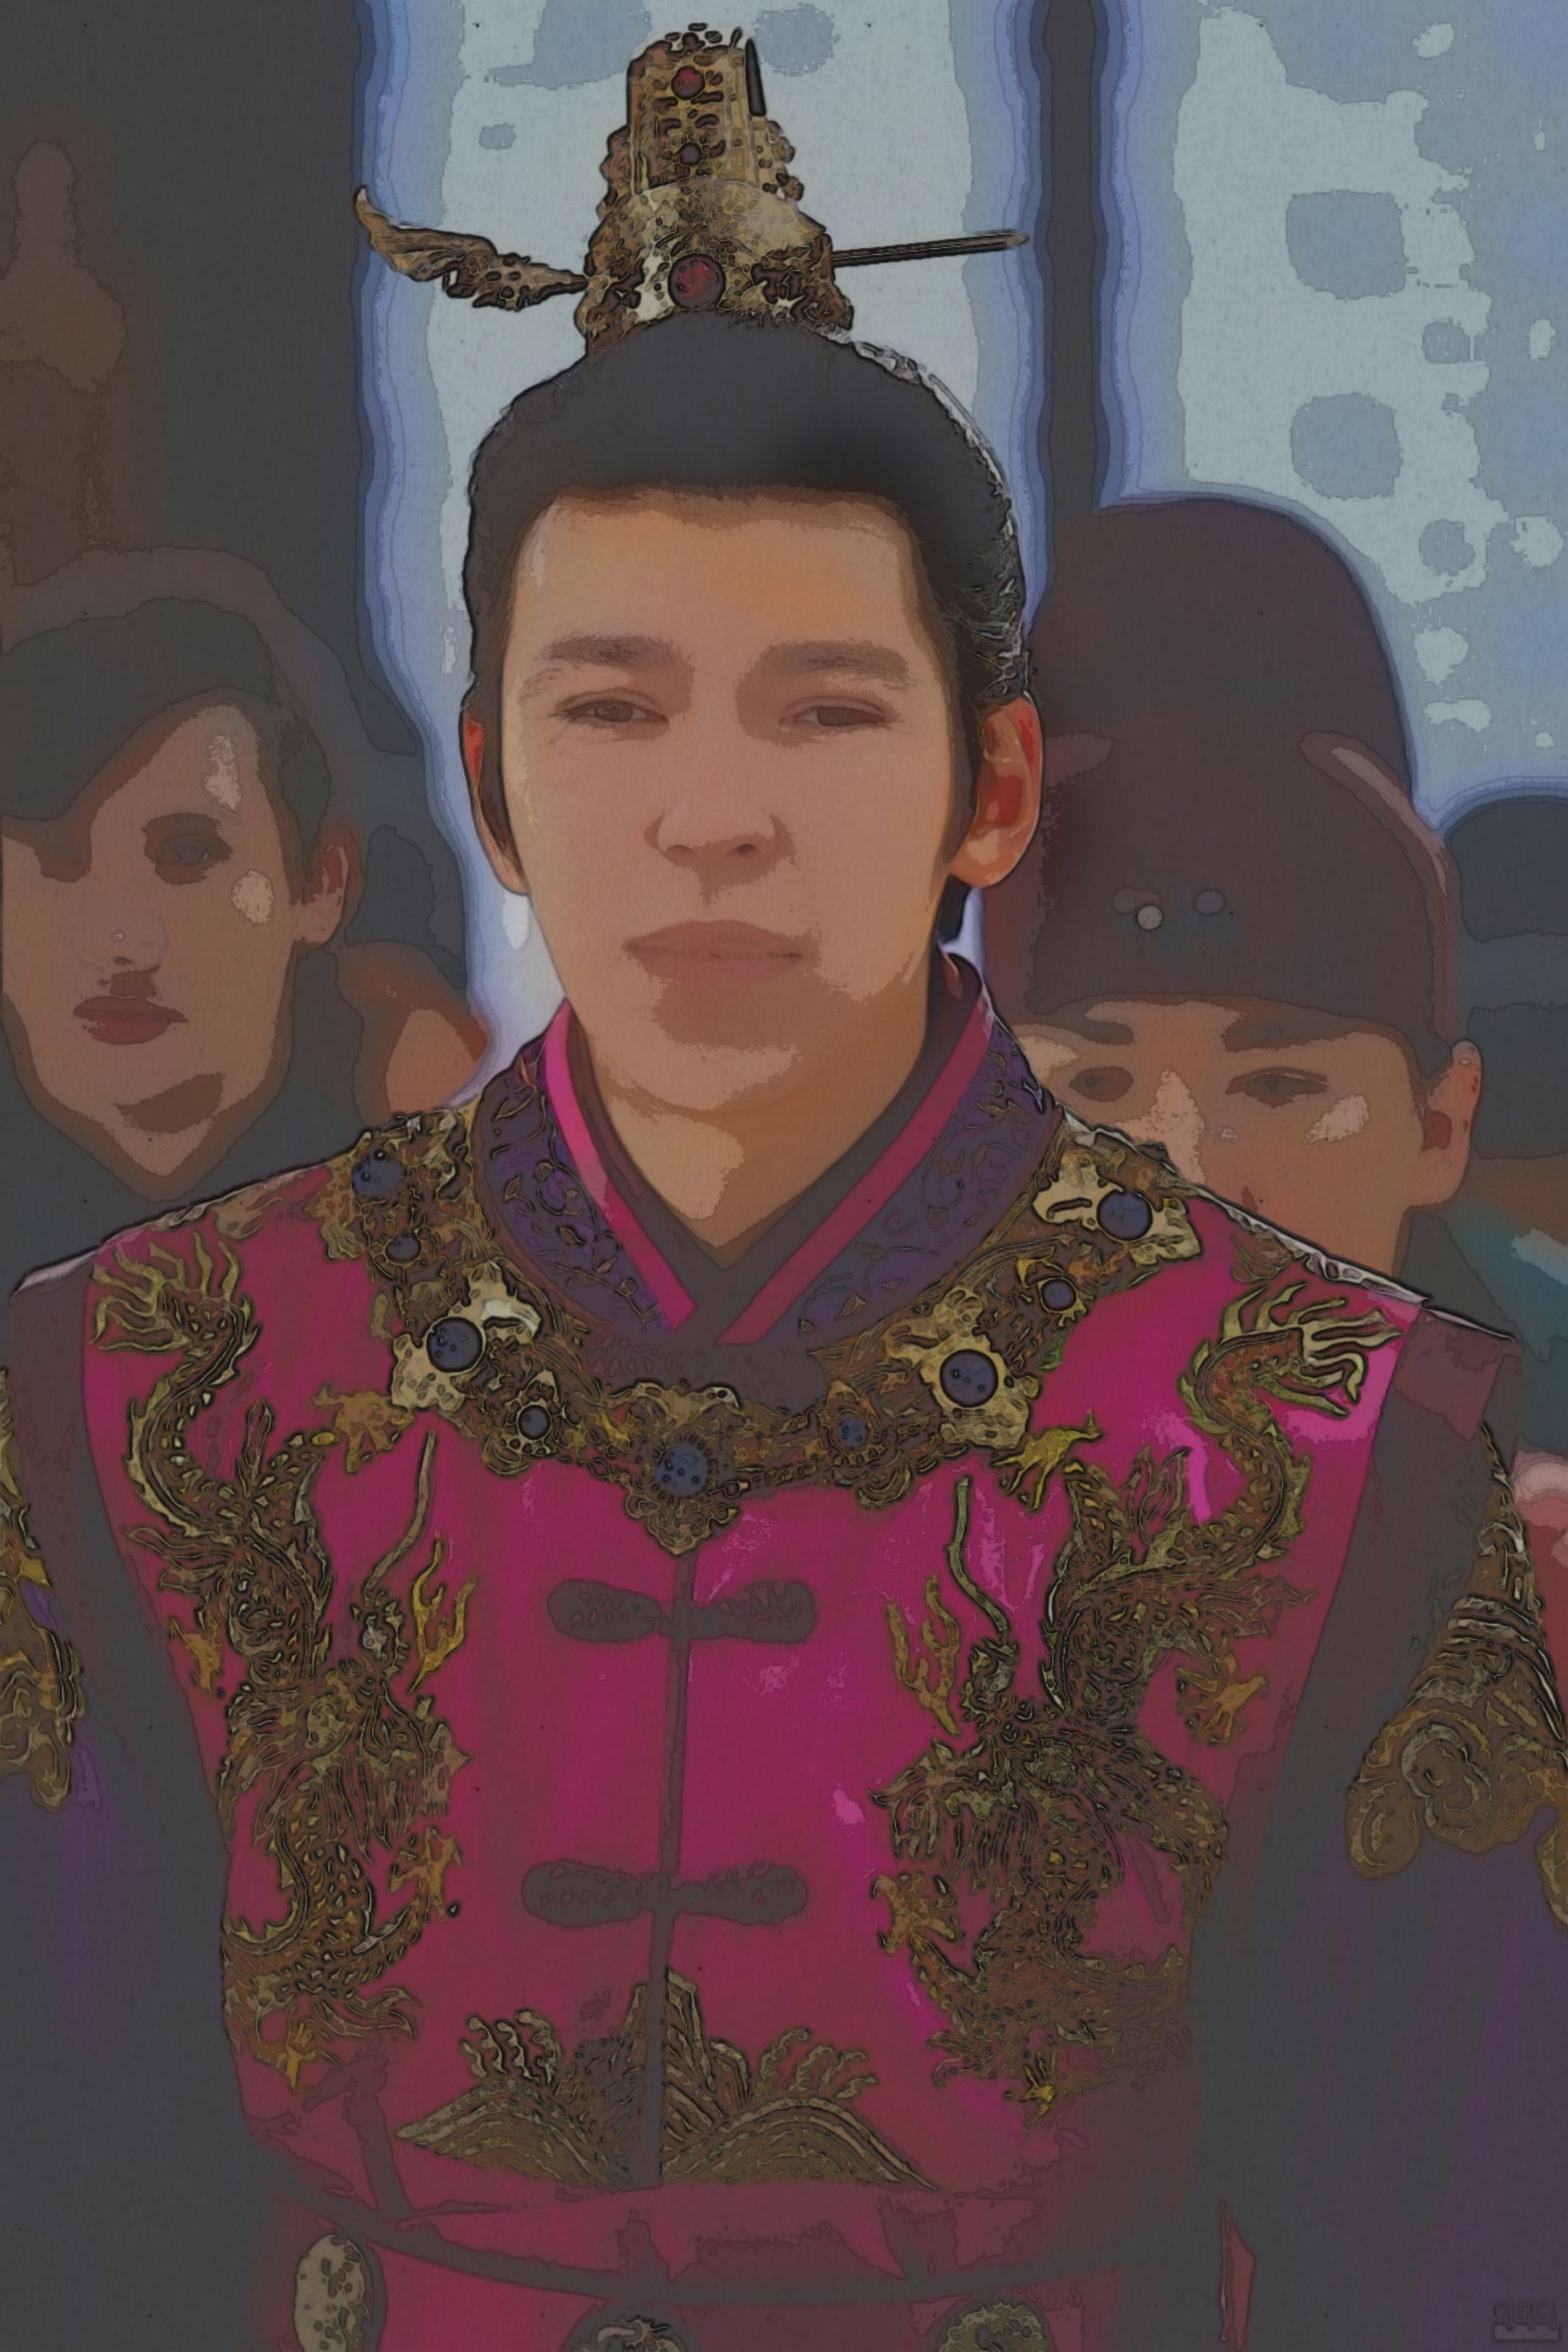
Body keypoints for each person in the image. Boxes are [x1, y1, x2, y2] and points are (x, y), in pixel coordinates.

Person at [4, 45, 1564, 2352]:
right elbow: (61, 2203)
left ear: (992, 788)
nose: (713, 819)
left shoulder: (1330, 1435)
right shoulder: (157, 1387)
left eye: (824, 712)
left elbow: (1452, 2261)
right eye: (613, 710)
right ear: (491, 786)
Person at [0, 588, 486, 1341]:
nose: (121, 939)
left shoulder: (433, 1204)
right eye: (58, 862)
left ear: (320, 885)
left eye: (189, 854)